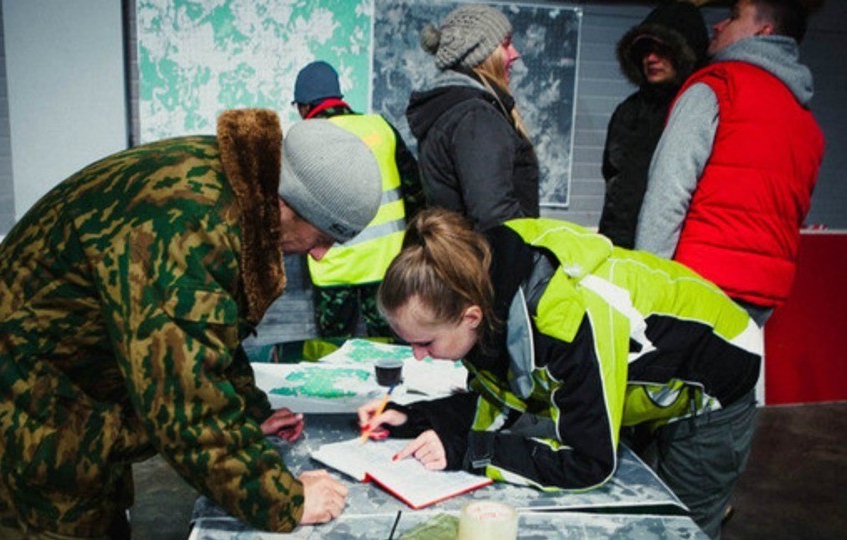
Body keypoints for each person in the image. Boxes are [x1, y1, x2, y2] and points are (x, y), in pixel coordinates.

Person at [0, 109, 385, 538]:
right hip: (18, 388)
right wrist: (284, 498)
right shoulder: (188, 223)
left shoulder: (238, 184)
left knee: (101, 507)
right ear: (286, 203)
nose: (320, 254)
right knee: (64, 523)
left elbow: (209, 334)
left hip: (70, 378)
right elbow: (184, 399)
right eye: (320, 237)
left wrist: (248, 411)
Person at [360, 208, 762, 539]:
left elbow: (589, 462)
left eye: (426, 344)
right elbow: (506, 399)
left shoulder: (566, 319)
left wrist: (471, 450)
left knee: (673, 526)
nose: (417, 356)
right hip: (650, 373)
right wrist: (415, 418)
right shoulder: (481, 282)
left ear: (471, 318)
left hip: (714, 376)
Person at [635, 0, 825, 326]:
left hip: (693, 292)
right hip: (762, 300)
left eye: (735, 16)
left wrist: (644, 293)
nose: (719, 25)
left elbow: (667, 195)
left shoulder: (718, 88)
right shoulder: (805, 123)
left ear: (763, 32)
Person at [292, 60, 424, 339]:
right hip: (384, 264)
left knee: (332, 354)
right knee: (388, 350)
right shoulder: (380, 127)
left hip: (333, 268)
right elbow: (415, 191)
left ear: (304, 106)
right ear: (338, 98)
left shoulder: (303, 138)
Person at [406, 4, 539, 230]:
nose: (515, 54)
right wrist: (529, 260)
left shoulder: (453, 110)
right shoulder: (476, 118)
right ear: (480, 53)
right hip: (486, 262)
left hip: (459, 259)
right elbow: (495, 216)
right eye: (505, 45)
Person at [599, 0, 708, 249]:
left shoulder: (699, 109)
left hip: (679, 253)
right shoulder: (627, 111)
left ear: (685, 51)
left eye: (662, 49)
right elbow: (613, 187)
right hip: (619, 248)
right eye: (645, 50)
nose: (651, 58)